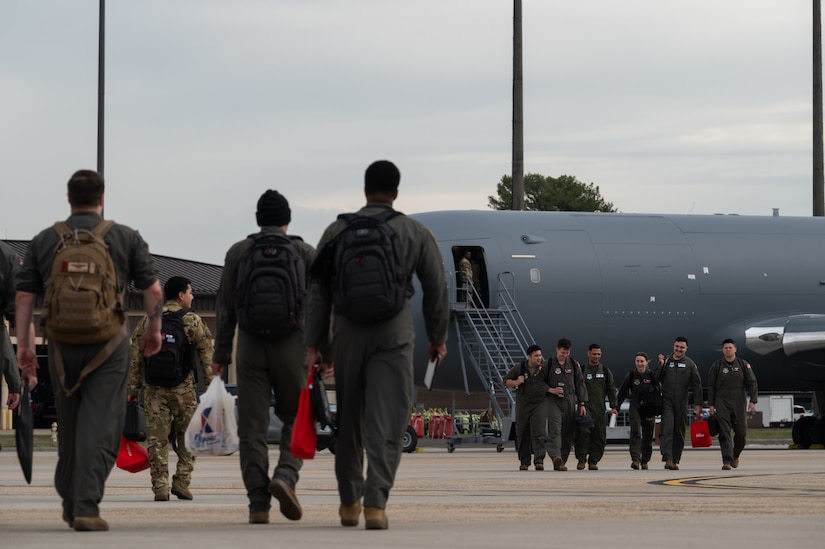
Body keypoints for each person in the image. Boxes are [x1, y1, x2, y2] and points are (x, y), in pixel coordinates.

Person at [304, 160, 449, 530]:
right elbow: (436, 287)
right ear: (397, 192)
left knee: (350, 418)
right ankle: (376, 504)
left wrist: (316, 345)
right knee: (390, 418)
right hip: (394, 332)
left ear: (365, 190)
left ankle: (349, 503)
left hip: (348, 331)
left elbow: (318, 293)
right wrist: (437, 337)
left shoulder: (336, 230)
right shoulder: (414, 231)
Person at [14, 169, 163, 532]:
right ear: (102, 199)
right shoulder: (125, 237)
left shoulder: (46, 239)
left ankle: (70, 497)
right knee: (102, 426)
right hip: (108, 346)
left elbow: (23, 297)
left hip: (63, 344)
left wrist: (25, 347)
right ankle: (85, 504)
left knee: (71, 424)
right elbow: (154, 292)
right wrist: (154, 330)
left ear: (68, 199)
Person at [211, 190, 315, 525]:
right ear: (287, 220)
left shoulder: (239, 252)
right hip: (292, 344)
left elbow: (225, 307)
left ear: (258, 220)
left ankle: (258, 503)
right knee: (296, 418)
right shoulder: (303, 252)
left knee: (252, 428)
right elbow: (321, 303)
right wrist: (321, 348)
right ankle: (285, 475)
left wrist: (220, 354)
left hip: (251, 345)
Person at [128, 276, 214, 501]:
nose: (193, 296)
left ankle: (160, 487)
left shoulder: (149, 320)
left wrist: (133, 389)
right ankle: (182, 482)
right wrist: (213, 385)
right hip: (183, 389)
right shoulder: (193, 321)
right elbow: (207, 356)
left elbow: (135, 357)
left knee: (157, 440)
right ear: (181, 295)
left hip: (154, 390)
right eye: (190, 292)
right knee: (189, 437)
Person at [707, 339, 758, 470]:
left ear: (735, 349)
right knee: (724, 432)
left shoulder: (743, 364)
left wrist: (753, 400)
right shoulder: (716, 366)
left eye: (730, 347)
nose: (728, 350)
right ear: (722, 350)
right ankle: (727, 461)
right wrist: (711, 404)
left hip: (739, 402)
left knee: (741, 433)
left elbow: (752, 382)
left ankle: (735, 455)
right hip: (721, 402)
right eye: (725, 348)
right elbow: (711, 386)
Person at [656, 336, 703, 470]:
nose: (679, 349)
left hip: (682, 401)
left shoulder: (690, 365)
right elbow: (656, 378)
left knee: (679, 431)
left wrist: (698, 403)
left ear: (686, 348)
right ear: (673, 346)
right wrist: (661, 365)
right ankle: (668, 458)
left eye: (682, 347)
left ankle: (675, 458)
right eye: (677, 346)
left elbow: (697, 385)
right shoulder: (666, 361)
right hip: (667, 401)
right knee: (668, 428)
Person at [504, 344, 550, 471]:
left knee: (539, 431)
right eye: (536, 356)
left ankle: (539, 460)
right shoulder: (519, 369)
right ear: (529, 356)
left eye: (540, 355)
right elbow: (506, 382)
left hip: (540, 403)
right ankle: (524, 461)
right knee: (522, 431)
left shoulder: (544, 369)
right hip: (523, 404)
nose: (539, 358)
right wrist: (517, 382)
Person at [545, 338, 588, 471]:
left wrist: (581, 403)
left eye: (567, 353)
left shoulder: (574, 364)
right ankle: (556, 456)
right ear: (557, 349)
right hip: (553, 400)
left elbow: (580, 384)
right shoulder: (549, 364)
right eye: (562, 352)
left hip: (569, 400)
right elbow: (538, 382)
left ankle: (562, 461)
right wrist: (551, 390)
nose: (564, 355)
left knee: (568, 432)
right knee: (555, 429)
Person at [574, 343, 617, 471]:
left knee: (599, 435)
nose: (596, 356)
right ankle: (581, 459)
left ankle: (593, 460)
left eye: (599, 354)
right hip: (585, 407)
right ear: (588, 354)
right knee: (584, 432)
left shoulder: (604, 371)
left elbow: (611, 389)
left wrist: (614, 406)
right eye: (594, 354)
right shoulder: (581, 370)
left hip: (599, 408)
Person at [616, 352, 658, 470]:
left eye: (642, 361)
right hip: (635, 407)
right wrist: (616, 407)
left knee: (648, 435)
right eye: (637, 361)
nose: (639, 364)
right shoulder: (630, 376)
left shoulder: (652, 376)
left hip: (649, 408)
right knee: (635, 432)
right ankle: (635, 459)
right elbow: (623, 392)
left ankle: (645, 460)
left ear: (646, 362)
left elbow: (660, 390)